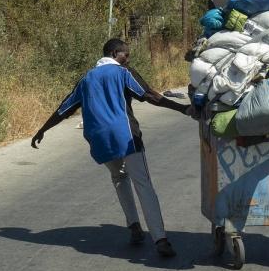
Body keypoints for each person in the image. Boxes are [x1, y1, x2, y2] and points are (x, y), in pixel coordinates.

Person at [31, 37, 190, 258]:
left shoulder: (86, 79)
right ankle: (160, 239)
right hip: (125, 136)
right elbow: (151, 96)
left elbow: (64, 109)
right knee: (143, 183)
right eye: (126, 55)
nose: (128, 59)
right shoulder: (123, 73)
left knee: (119, 177)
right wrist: (183, 109)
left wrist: (42, 130)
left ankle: (134, 227)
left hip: (99, 140)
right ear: (116, 53)